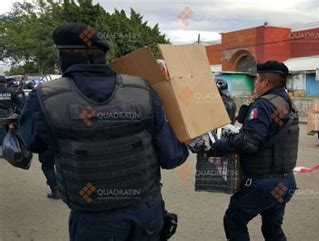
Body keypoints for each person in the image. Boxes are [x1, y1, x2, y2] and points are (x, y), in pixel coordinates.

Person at [18, 23, 189, 240]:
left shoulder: (44, 98)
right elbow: (172, 157)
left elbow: (33, 144)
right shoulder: (143, 90)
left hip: (93, 222)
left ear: (62, 57)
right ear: (102, 55)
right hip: (147, 215)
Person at [206, 61, 298, 241]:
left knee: (234, 220)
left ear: (264, 82)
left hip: (263, 184)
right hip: (286, 181)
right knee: (272, 228)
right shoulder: (287, 103)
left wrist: (218, 146)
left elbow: (248, 143)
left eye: (256, 80)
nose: (255, 84)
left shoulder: (263, 105)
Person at [0, 75, 23, 143]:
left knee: (1, 132)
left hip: (1, 116)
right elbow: (19, 102)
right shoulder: (11, 92)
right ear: (5, 83)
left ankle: (4, 148)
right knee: (12, 129)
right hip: (10, 114)